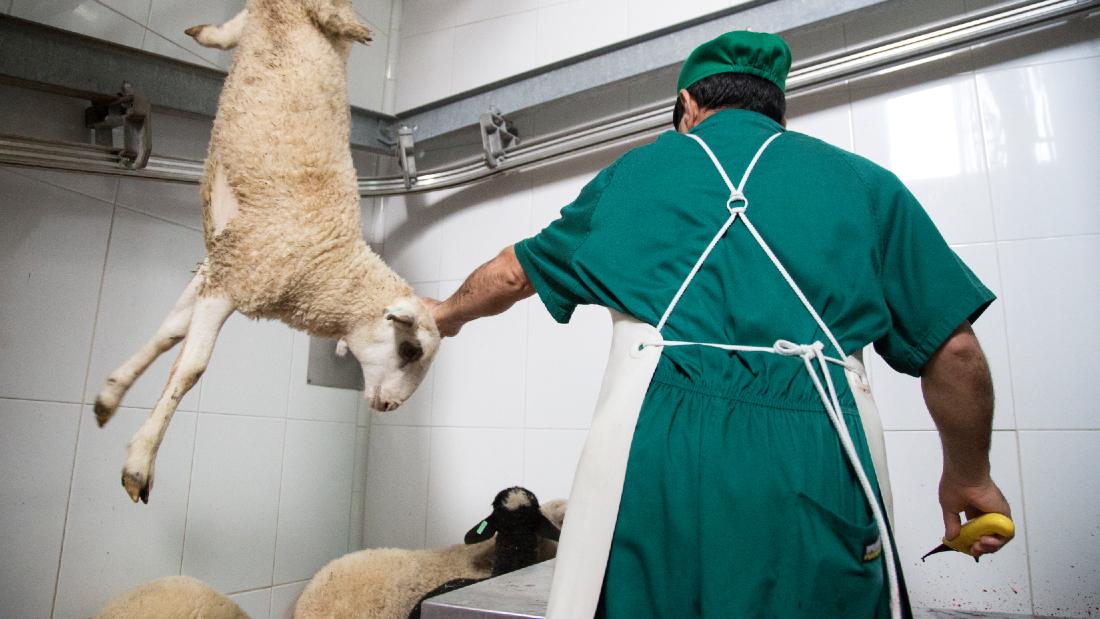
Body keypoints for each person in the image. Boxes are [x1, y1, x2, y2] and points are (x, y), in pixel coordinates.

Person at [425, 30, 1012, 618]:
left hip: (661, 449)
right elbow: (955, 352)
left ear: (687, 106)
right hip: (819, 451)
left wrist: (442, 316)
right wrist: (970, 476)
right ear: (775, 105)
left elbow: (510, 274)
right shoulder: (865, 184)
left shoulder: (636, 174)